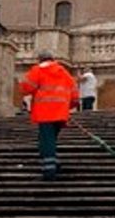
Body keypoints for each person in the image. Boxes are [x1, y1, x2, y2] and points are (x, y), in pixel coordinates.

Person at [19, 48, 79, 181]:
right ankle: (53, 161)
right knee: (50, 138)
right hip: (60, 111)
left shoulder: (38, 70)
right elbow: (75, 94)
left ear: (40, 59)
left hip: (44, 111)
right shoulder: (64, 72)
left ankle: (49, 168)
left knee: (46, 138)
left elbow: (26, 88)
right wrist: (68, 106)